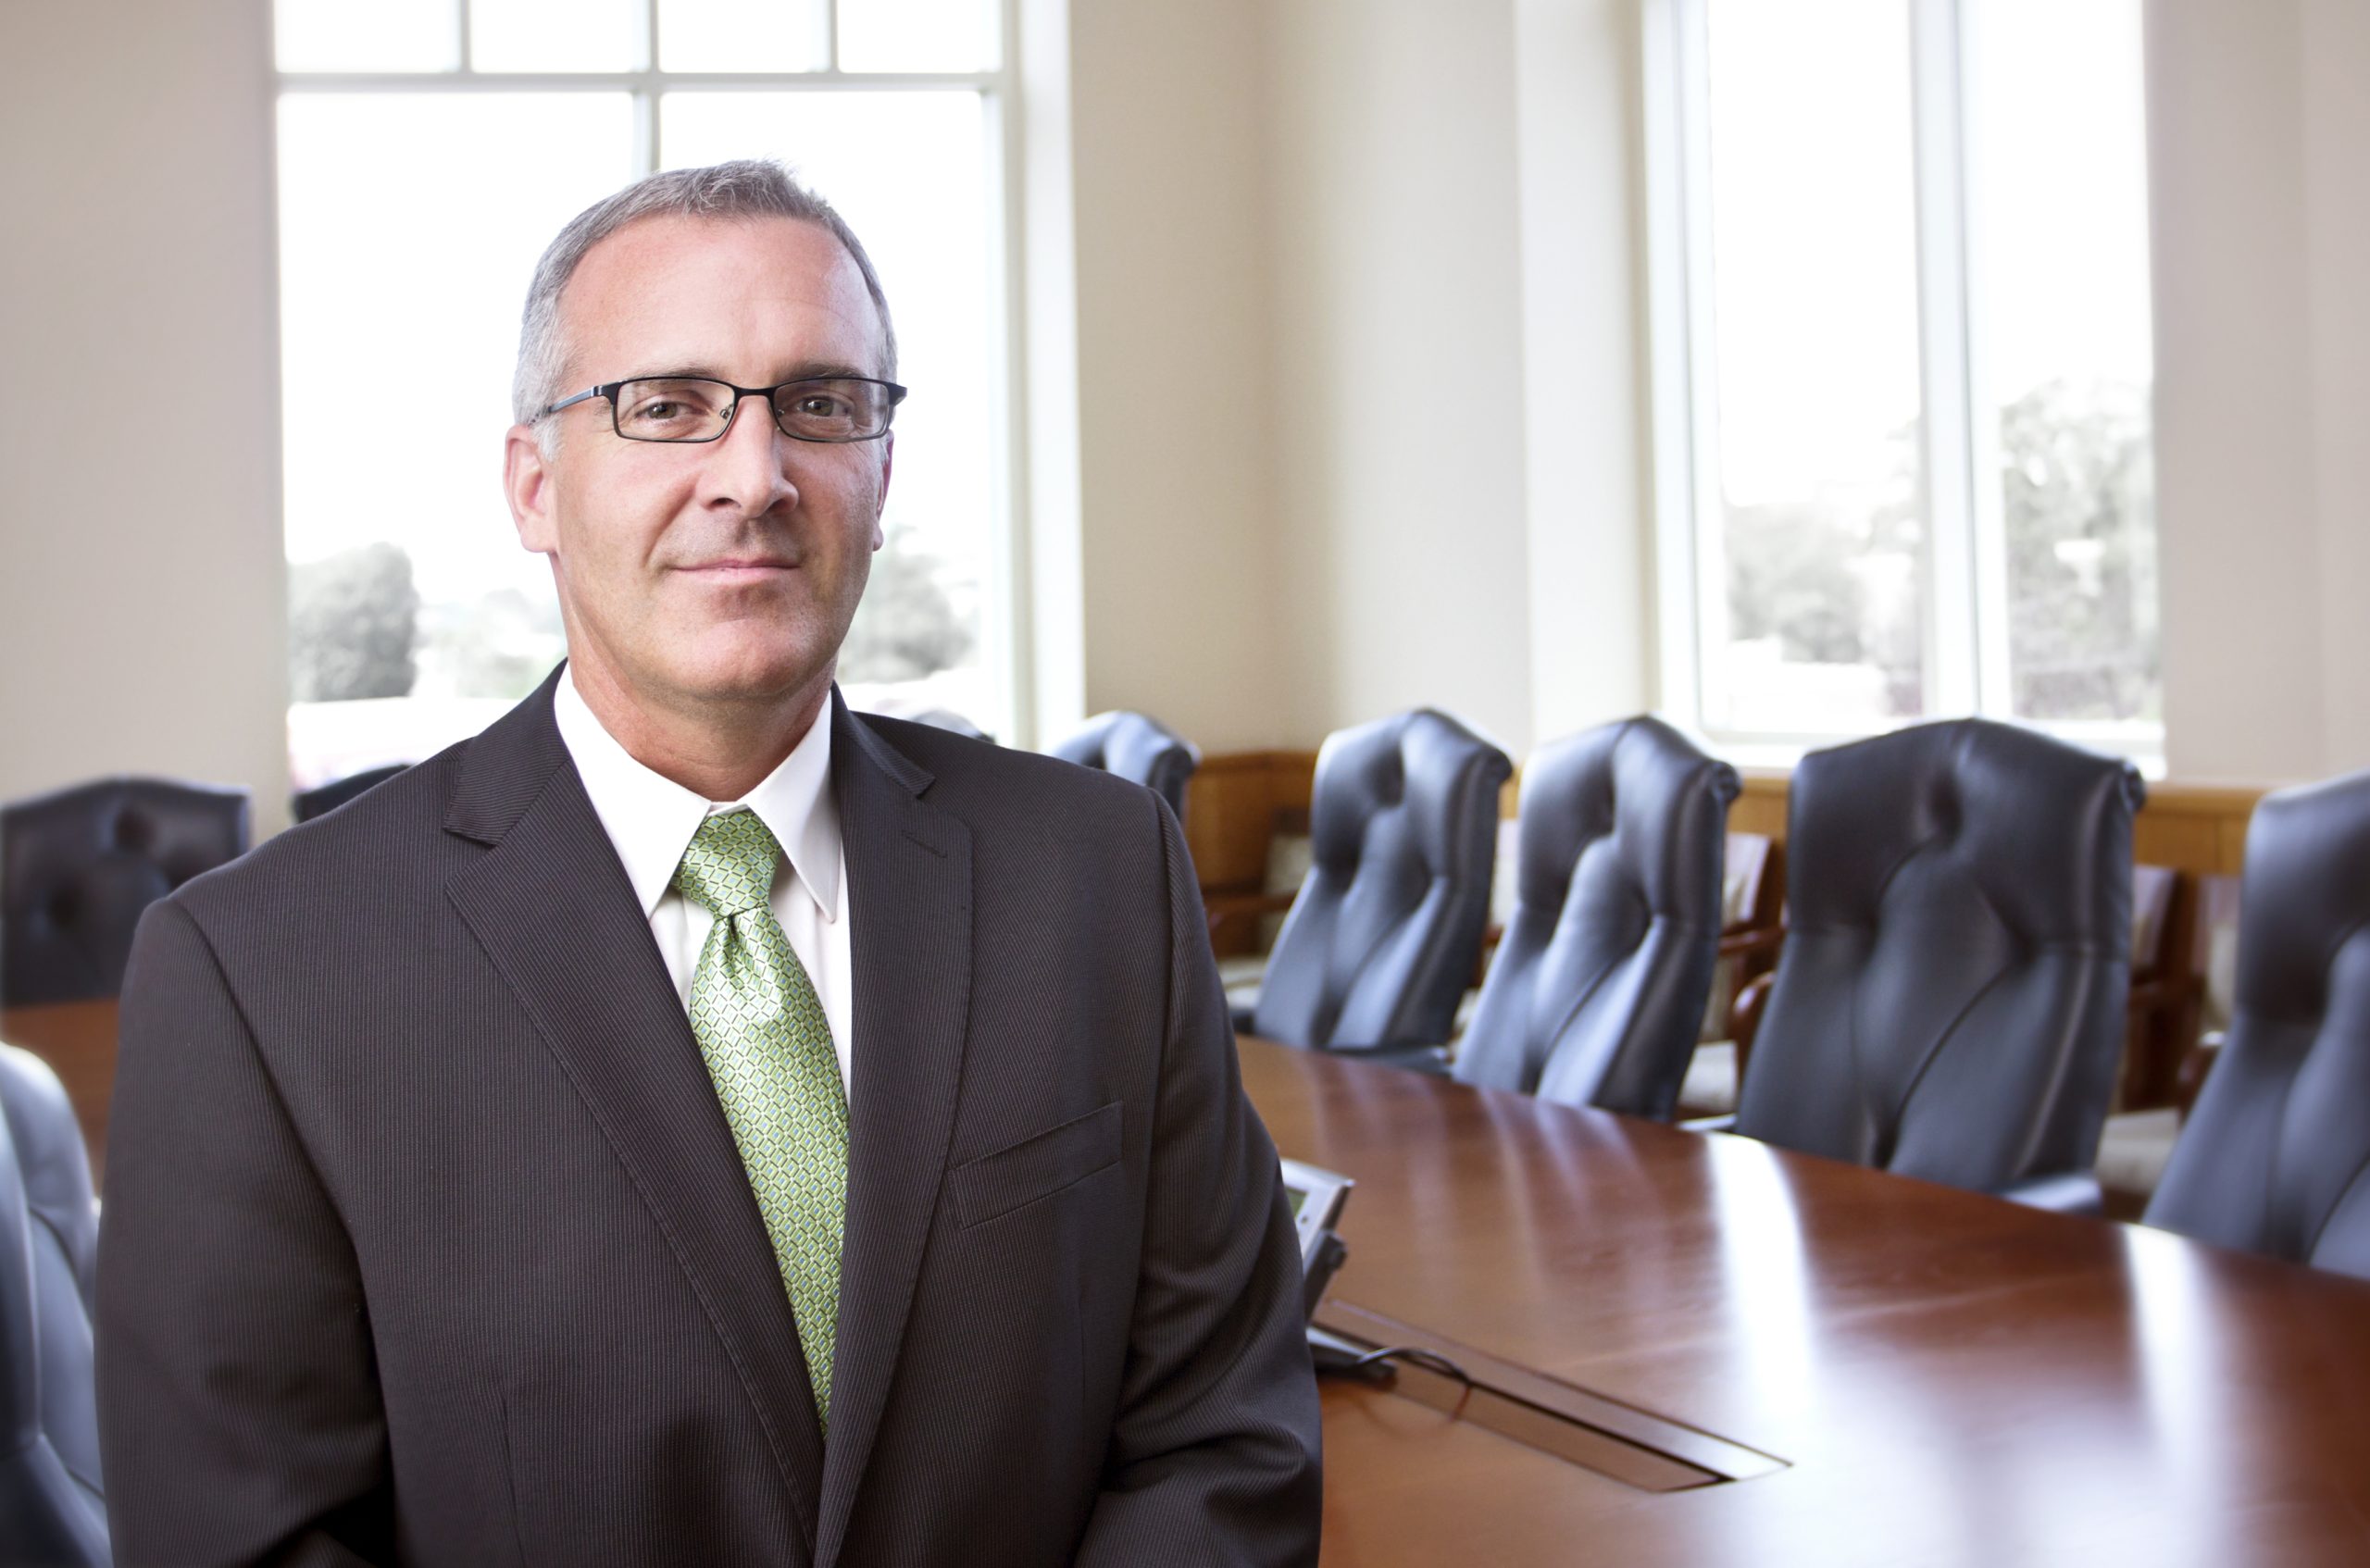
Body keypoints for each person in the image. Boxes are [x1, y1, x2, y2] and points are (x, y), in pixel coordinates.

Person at [95, 159, 1322, 1566]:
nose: (754, 476)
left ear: (879, 467)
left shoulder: (1100, 873)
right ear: (535, 484)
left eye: (820, 403)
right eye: (666, 406)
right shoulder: (258, 973)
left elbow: (1226, 1438)